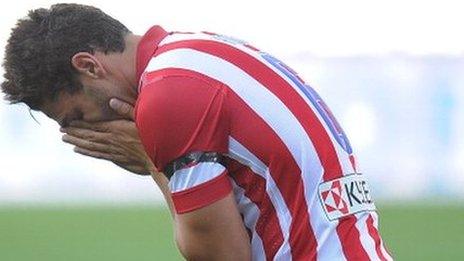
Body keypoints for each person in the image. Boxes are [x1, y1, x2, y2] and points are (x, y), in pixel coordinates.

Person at [1, 3, 392, 261]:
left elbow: (221, 255)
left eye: (77, 118)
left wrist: (154, 164)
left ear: (89, 66)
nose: (91, 132)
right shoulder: (195, 51)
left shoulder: (164, 99)